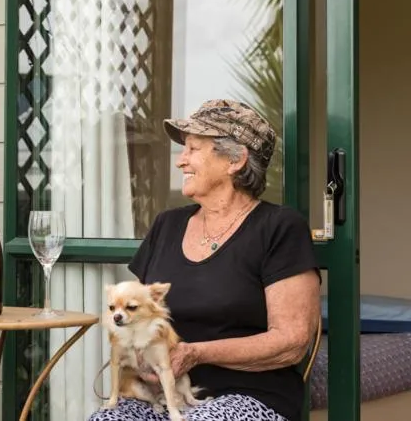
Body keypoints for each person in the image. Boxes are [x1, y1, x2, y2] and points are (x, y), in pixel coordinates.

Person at [89, 99, 320, 421]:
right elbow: (138, 313)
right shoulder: (167, 225)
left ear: (235, 160)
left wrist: (195, 354)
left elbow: (291, 342)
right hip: (162, 394)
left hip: (248, 394)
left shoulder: (278, 228)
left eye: (193, 149)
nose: (180, 162)